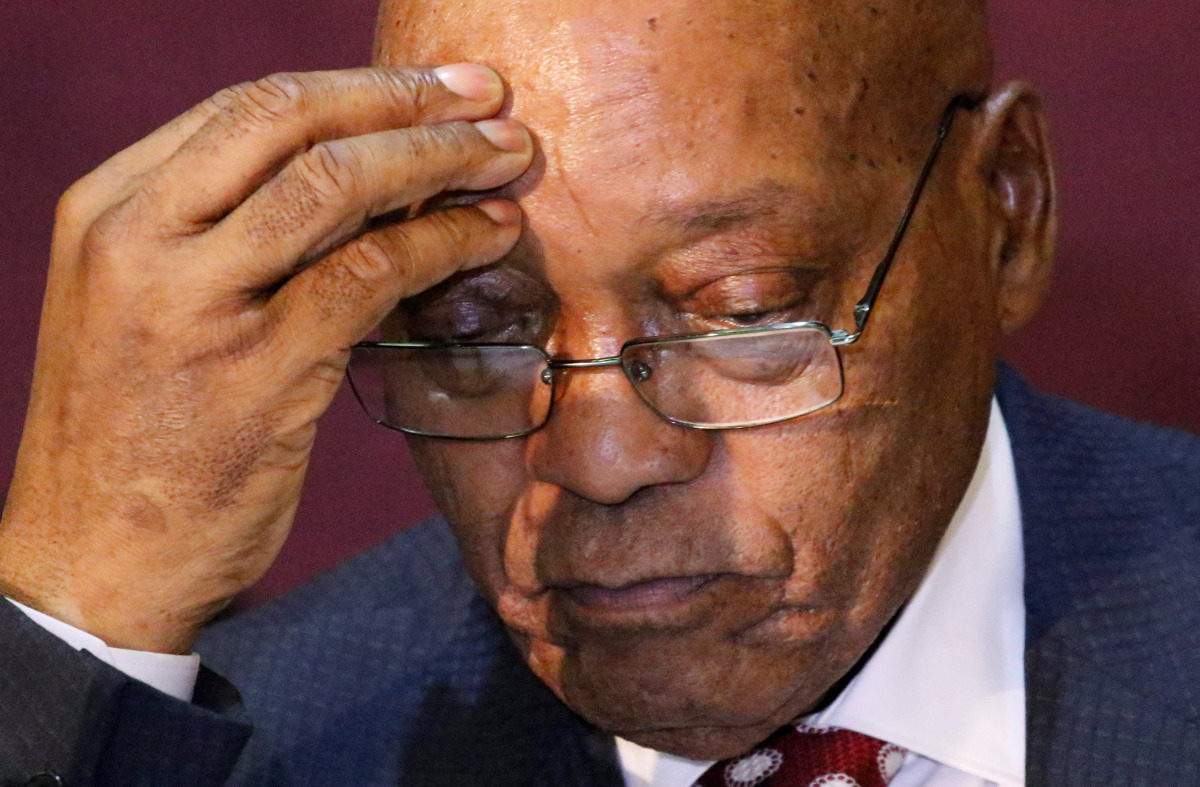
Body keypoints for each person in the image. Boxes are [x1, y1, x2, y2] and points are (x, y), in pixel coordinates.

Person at [1, 0, 1197, 784]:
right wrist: (79, 616)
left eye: (741, 305)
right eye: (475, 327)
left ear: (1006, 214)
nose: (599, 455)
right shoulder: (243, 741)